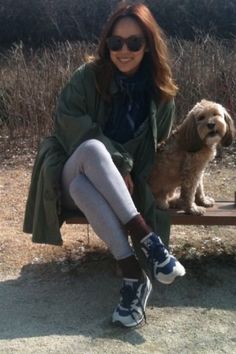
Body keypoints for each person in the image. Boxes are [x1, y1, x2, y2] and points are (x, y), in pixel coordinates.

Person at [23, 2, 185, 328]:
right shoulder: (87, 77)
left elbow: (157, 149)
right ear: (107, 44)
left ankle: (134, 277)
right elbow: (68, 122)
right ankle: (149, 241)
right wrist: (120, 164)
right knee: (92, 151)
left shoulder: (161, 96)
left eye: (134, 42)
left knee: (88, 186)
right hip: (69, 172)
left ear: (148, 45)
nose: (123, 50)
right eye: (116, 42)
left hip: (109, 190)